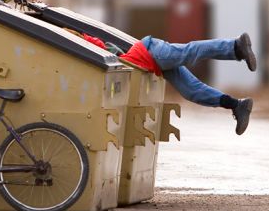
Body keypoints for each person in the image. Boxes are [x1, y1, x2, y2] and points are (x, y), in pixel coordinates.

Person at [77, 31, 256, 135]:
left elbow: (96, 43)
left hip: (150, 51)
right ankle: (237, 105)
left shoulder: (84, 42)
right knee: (192, 91)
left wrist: (78, 37)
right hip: (154, 63)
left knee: (189, 52)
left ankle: (235, 47)